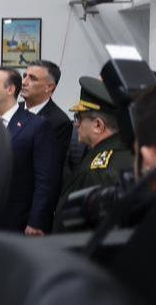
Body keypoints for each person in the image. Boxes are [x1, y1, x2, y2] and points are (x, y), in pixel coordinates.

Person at [50, 76, 135, 233]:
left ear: (98, 125)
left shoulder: (98, 170)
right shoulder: (126, 151)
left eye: (79, 118)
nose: (76, 124)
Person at [0, 67, 60, 235]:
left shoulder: (37, 126)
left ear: (10, 90)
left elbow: (45, 180)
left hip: (18, 223)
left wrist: (36, 221)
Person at [22, 59, 72, 163]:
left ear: (49, 87)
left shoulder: (59, 122)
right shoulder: (13, 109)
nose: (24, 82)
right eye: (24, 76)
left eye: (32, 79)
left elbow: (49, 166)